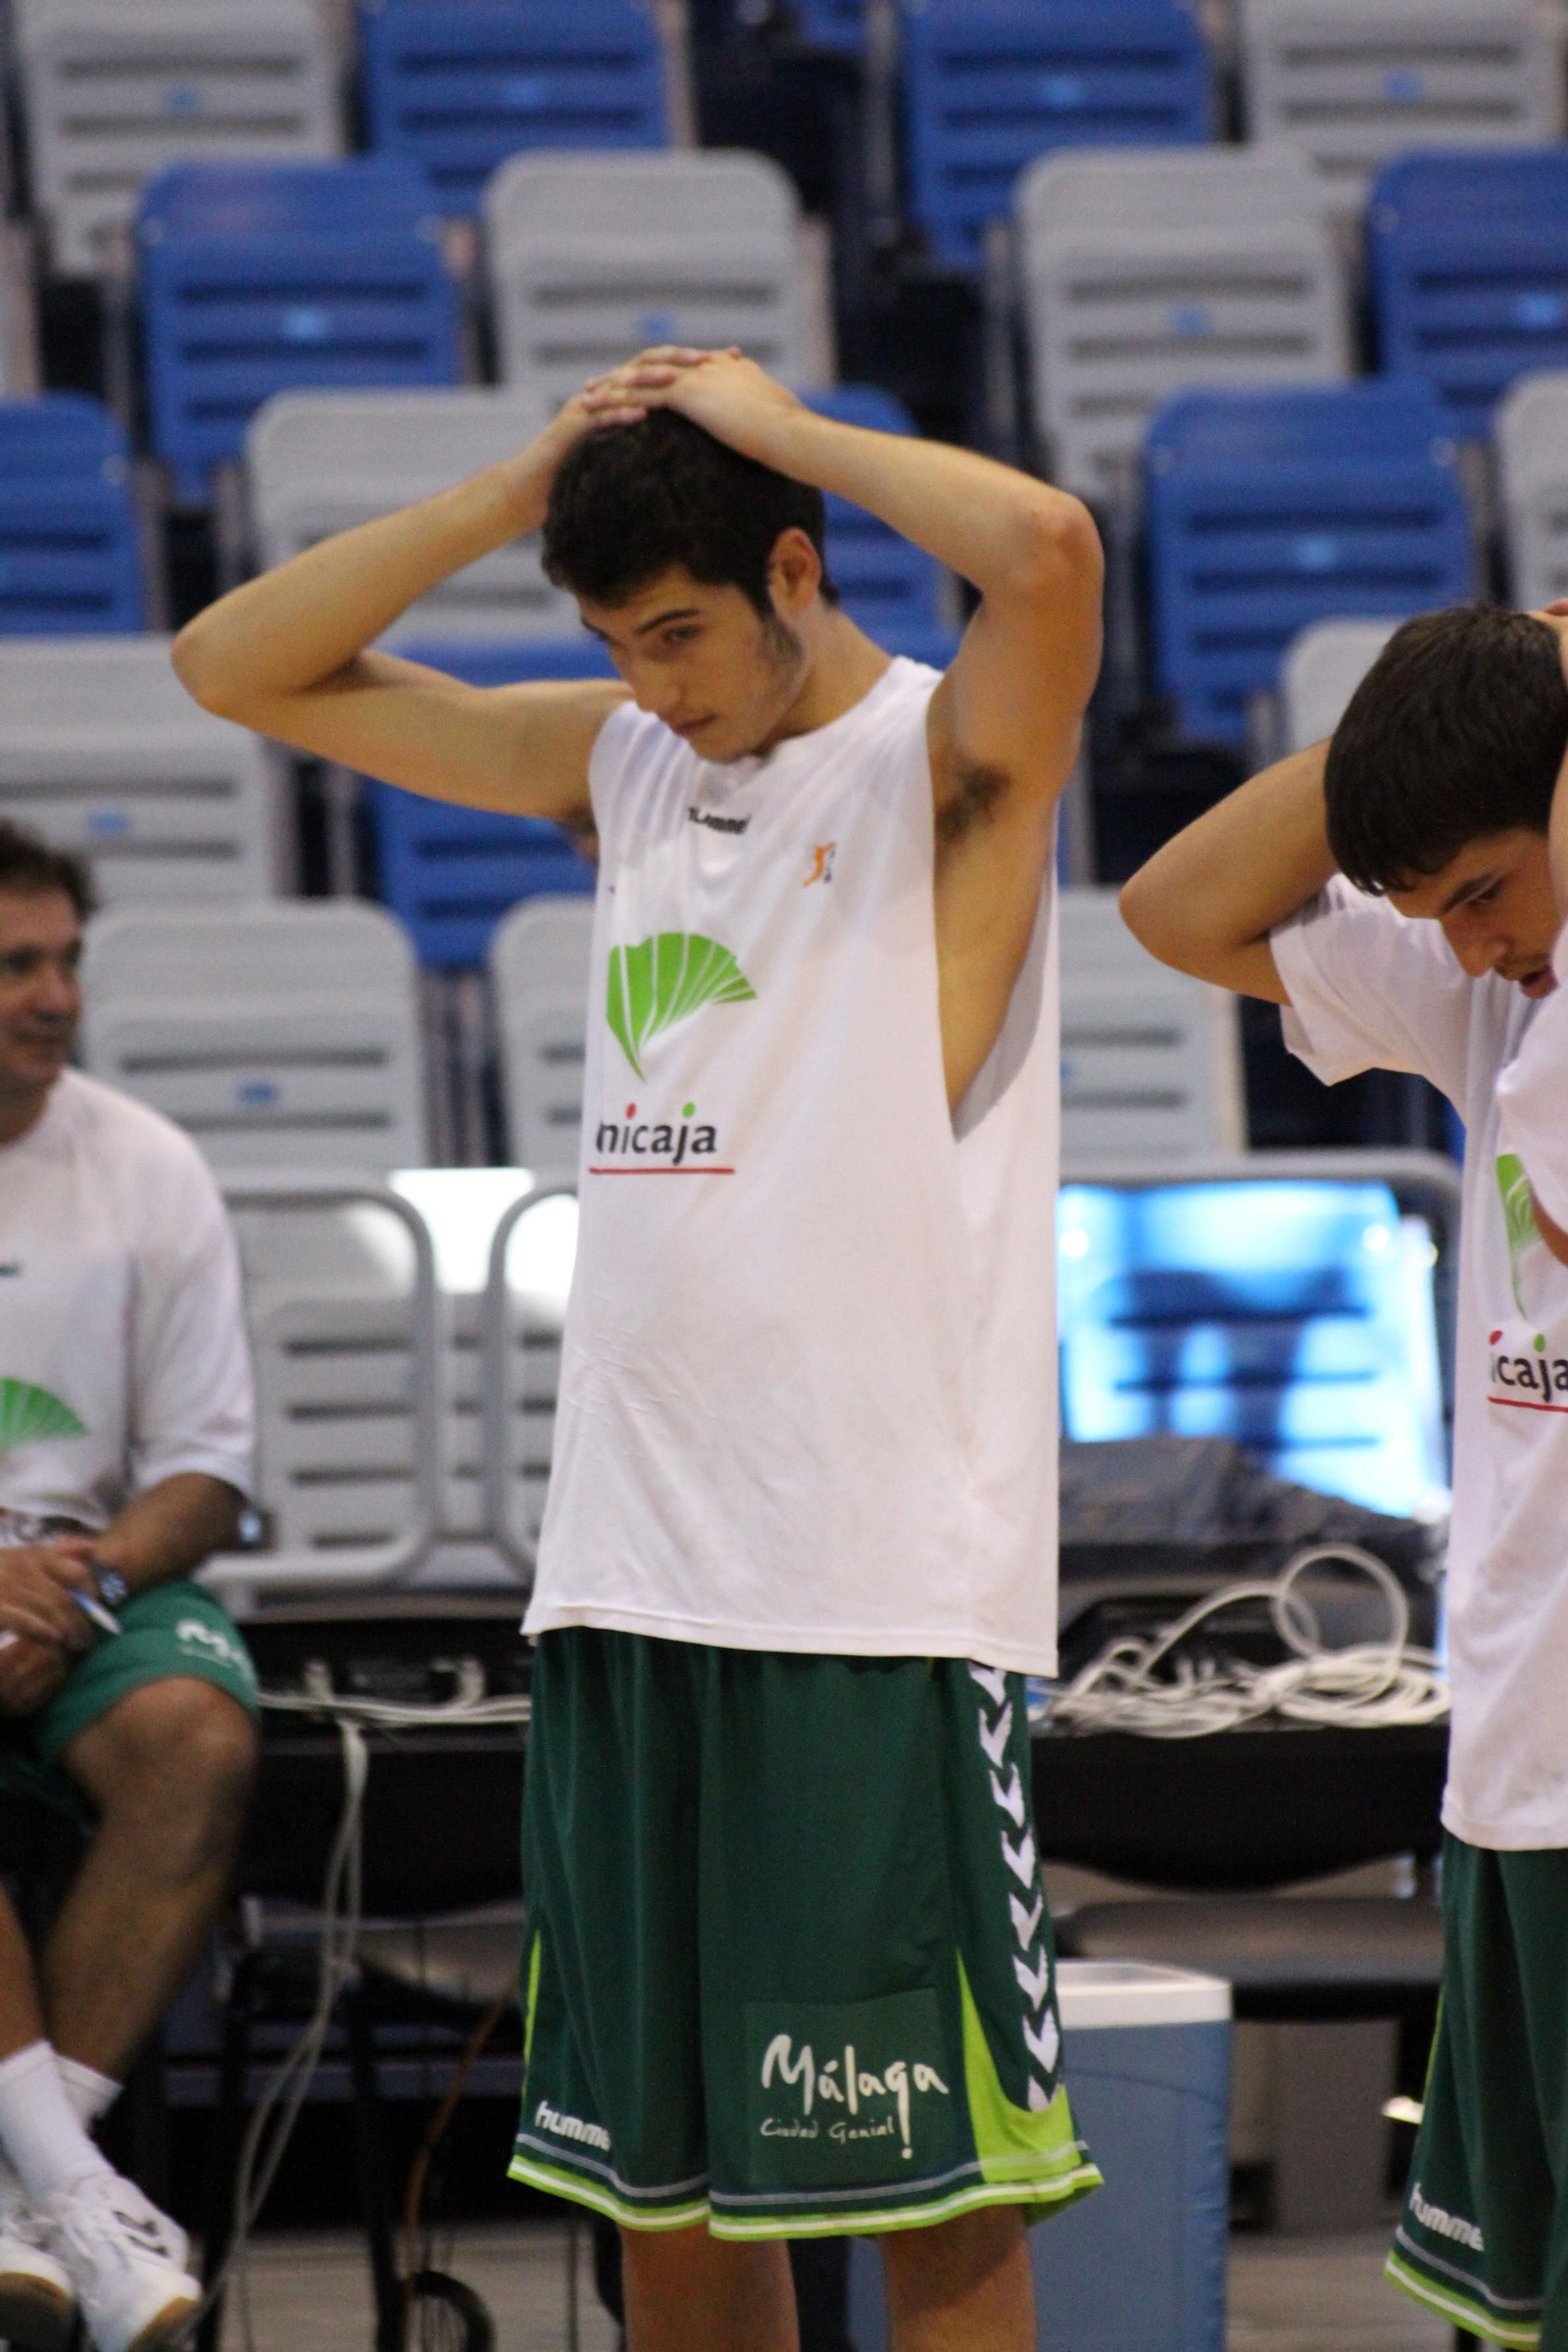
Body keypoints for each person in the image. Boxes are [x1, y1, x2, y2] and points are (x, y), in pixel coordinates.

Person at [172, 345, 1105, 2352]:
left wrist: (765, 417)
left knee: (927, 2190)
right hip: (625, 1574)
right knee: (663, 2191)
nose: (655, 684)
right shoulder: (624, 761)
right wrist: (509, 495)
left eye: (677, 632)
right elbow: (231, 669)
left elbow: (1039, 548)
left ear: (790, 567)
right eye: (615, 643)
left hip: (864, 1602)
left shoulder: (951, 763)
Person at [1119, 603, 1568, 2350]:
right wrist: (1443, 720)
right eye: (1436, 911)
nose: (1470, 941)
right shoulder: (1490, 993)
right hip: (1517, 1761)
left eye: (1486, 887)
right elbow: (1178, 911)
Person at [0, 820, 261, 2352]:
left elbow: (205, 1475)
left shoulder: (146, 1162)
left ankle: (41, 2208)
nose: (52, 997)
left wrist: (73, 1595)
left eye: (66, 964)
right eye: (13, 967)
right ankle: (73, 2192)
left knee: (199, 1740)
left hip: (84, 1580)